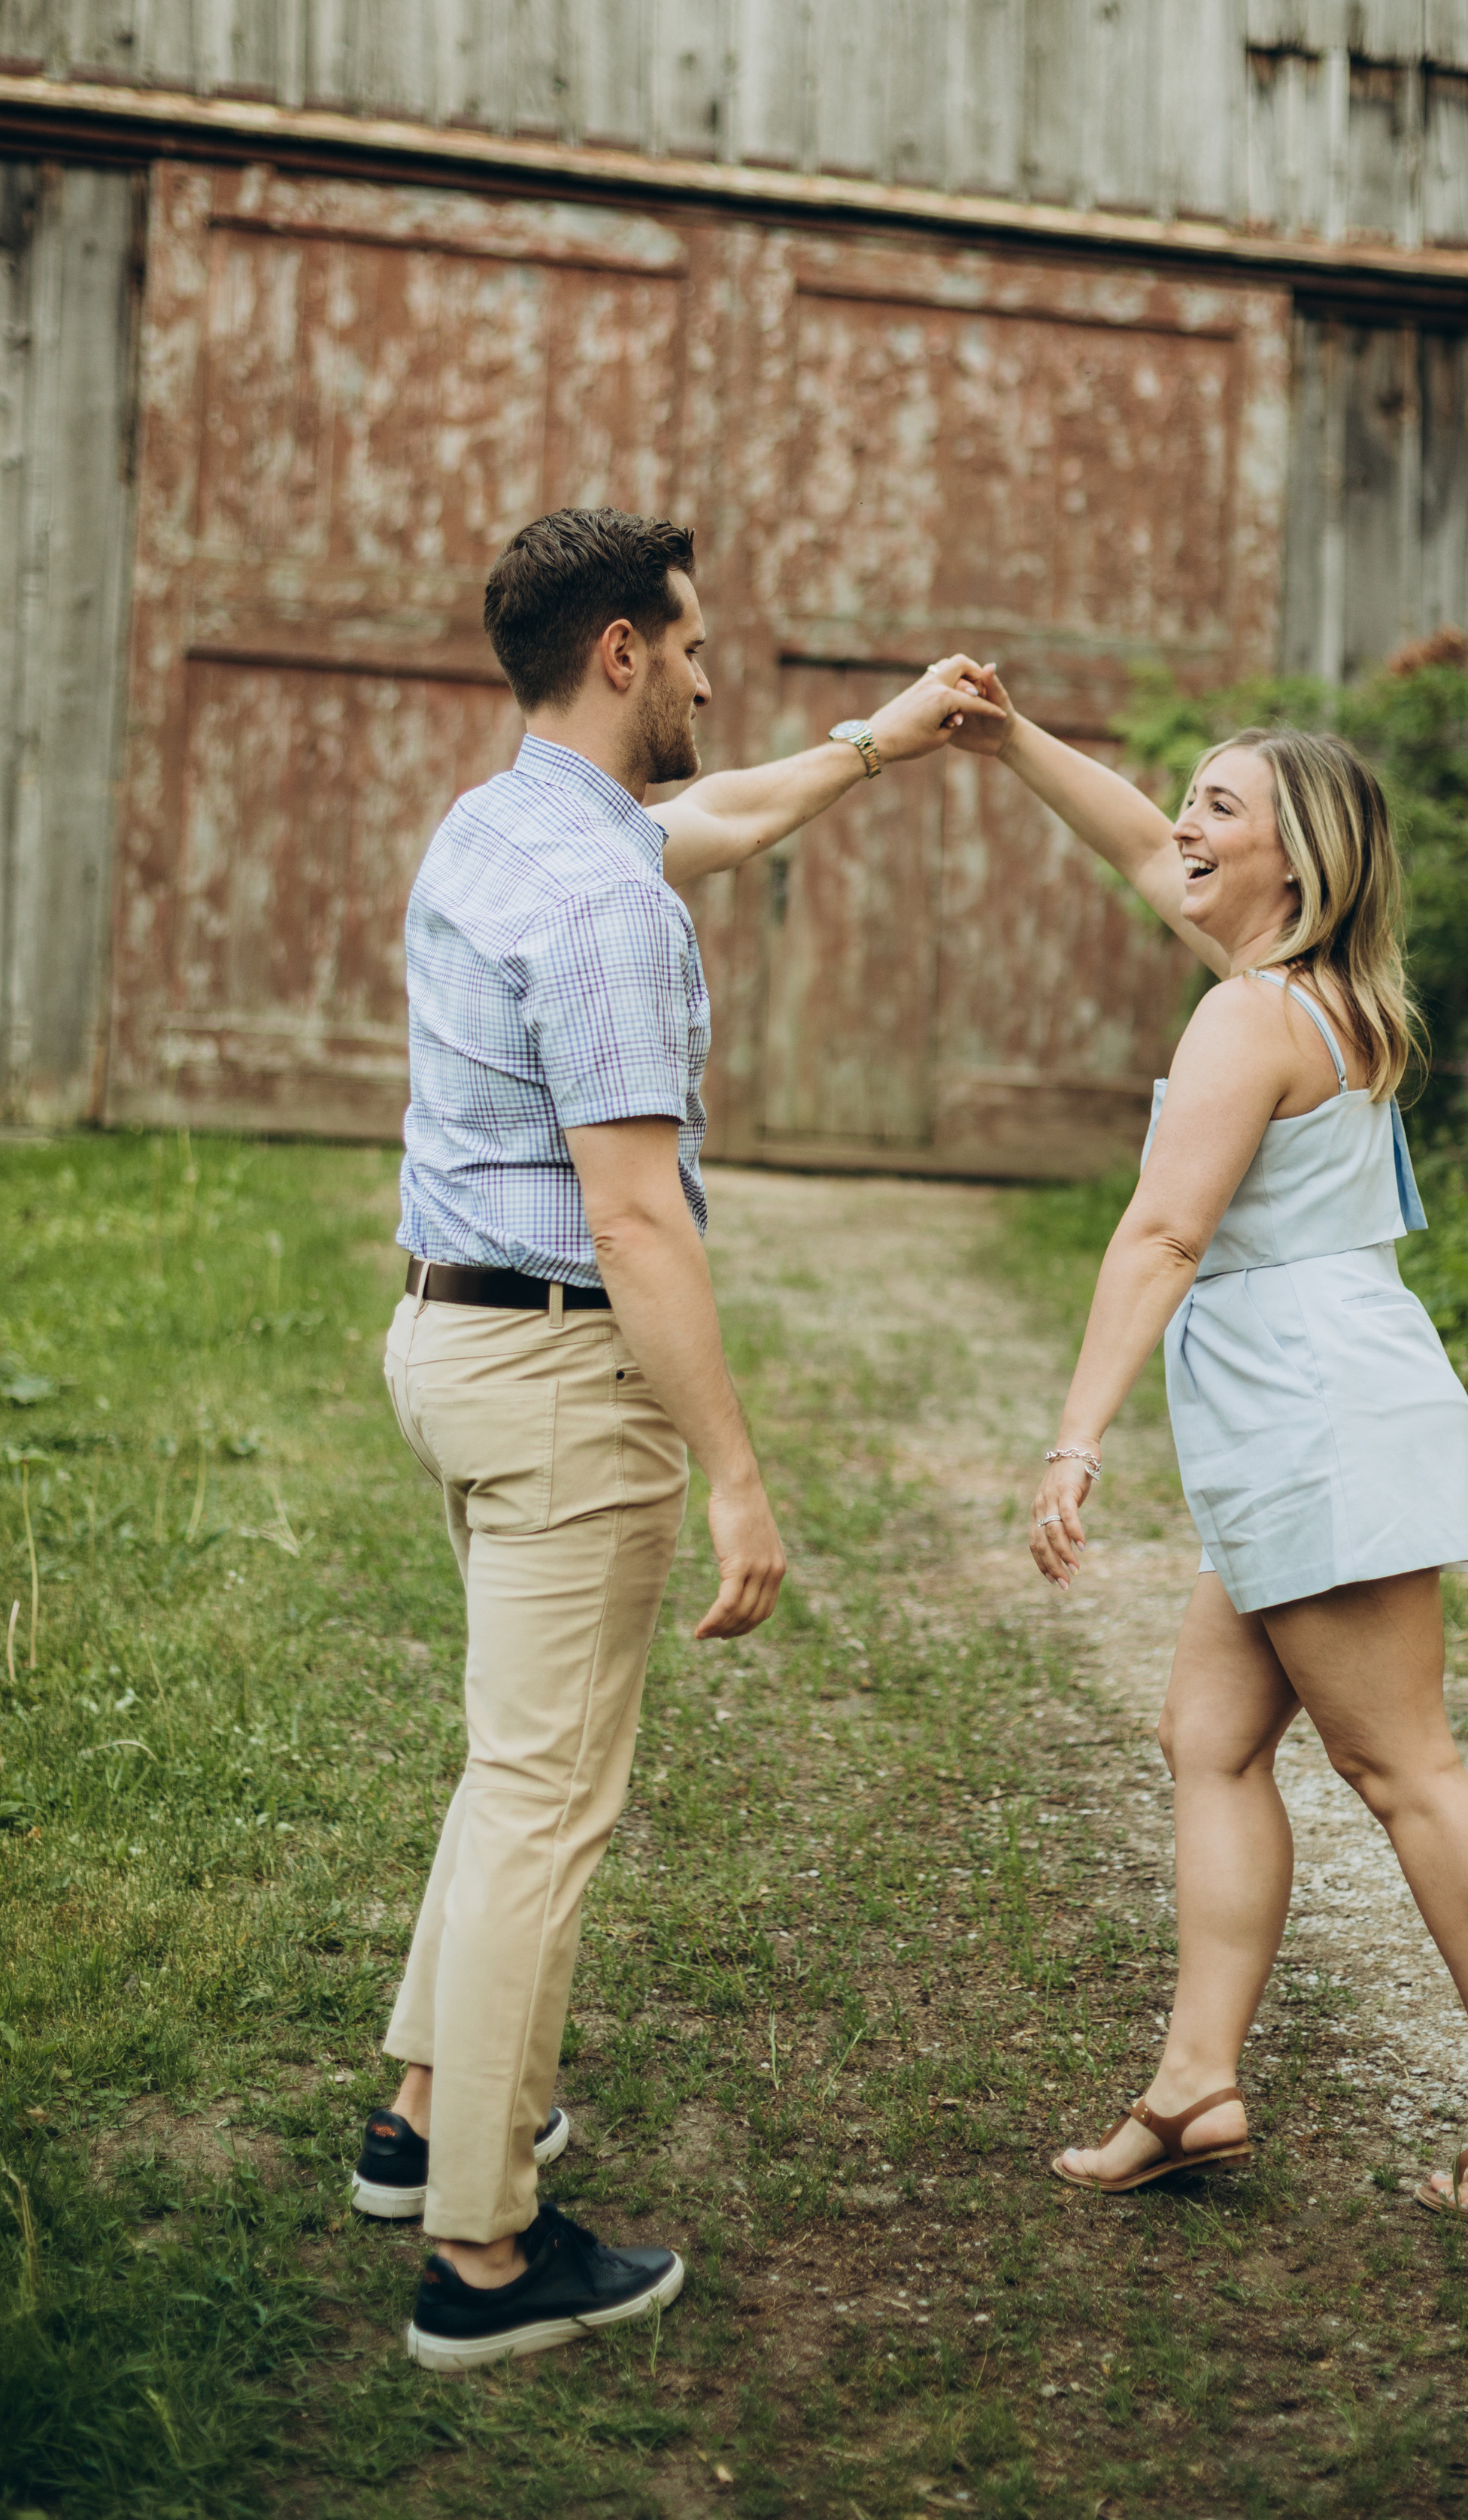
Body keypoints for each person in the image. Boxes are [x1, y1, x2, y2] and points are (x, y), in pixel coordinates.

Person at [360, 508, 987, 2369]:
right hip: (562, 1381)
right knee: (551, 1805)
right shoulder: (608, 907)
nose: (719, 671)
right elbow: (638, 1222)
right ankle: (480, 2252)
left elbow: (712, 818)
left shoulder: (507, 822)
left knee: (507, 1772)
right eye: (696, 643)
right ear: (624, 650)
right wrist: (733, 1465)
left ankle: (419, 2121)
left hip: (451, 1349)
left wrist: (881, 738)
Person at [949, 671, 1468, 2219]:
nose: (1181, 820)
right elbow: (1133, 848)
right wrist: (1017, 738)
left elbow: (1165, 1229)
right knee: (1211, 1738)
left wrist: (1072, 1442)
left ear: (1290, 864)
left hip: (1315, 1420)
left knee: (1403, 1769)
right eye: (1186, 795)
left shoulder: (1250, 1017)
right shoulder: (1304, 990)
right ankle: (1193, 2084)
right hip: (1304, 1414)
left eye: (1217, 807)